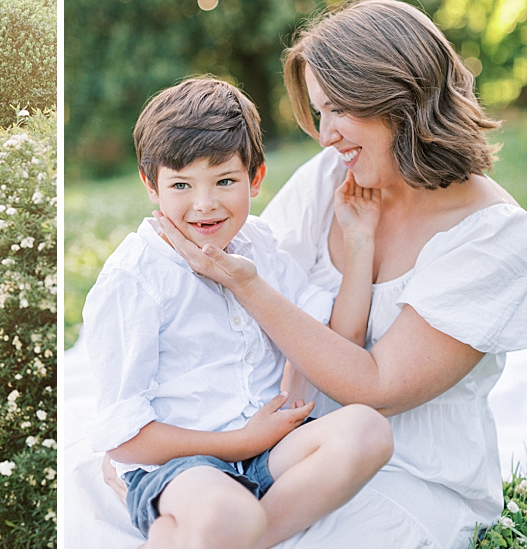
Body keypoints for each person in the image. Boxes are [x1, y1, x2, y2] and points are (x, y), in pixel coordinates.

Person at [154, 0, 526, 548]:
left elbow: (375, 387)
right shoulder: (335, 173)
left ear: (400, 97)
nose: (325, 135)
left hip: (406, 471)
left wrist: (245, 282)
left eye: (338, 111)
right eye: (319, 113)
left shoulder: (494, 237)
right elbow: (247, 283)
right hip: (291, 447)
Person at [81, 77, 393, 548]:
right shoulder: (135, 277)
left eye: (225, 181)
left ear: (256, 179)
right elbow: (125, 440)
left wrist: (360, 240)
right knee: (227, 511)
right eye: (181, 184)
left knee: (369, 431)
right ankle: (230, 526)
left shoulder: (258, 245)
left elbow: (336, 342)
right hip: (184, 465)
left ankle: (234, 534)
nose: (204, 204)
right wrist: (240, 444)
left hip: (269, 450)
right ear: (151, 184)